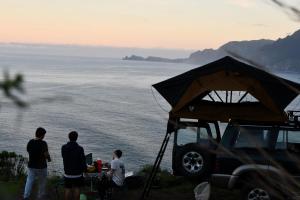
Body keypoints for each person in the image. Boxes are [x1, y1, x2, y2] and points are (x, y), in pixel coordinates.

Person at [23, 127, 51, 200]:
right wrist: (49, 158)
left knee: (29, 180)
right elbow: (46, 154)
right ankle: (40, 196)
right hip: (41, 166)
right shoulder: (43, 143)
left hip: (31, 165)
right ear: (42, 135)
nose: (44, 136)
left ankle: (26, 196)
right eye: (44, 135)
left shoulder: (30, 142)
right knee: (42, 182)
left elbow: (28, 150)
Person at [61, 131, 87, 200]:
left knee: (67, 188)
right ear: (77, 138)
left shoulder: (64, 147)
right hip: (77, 173)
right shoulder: (80, 148)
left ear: (69, 137)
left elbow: (63, 157)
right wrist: (85, 170)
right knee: (77, 188)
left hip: (67, 172)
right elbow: (83, 161)